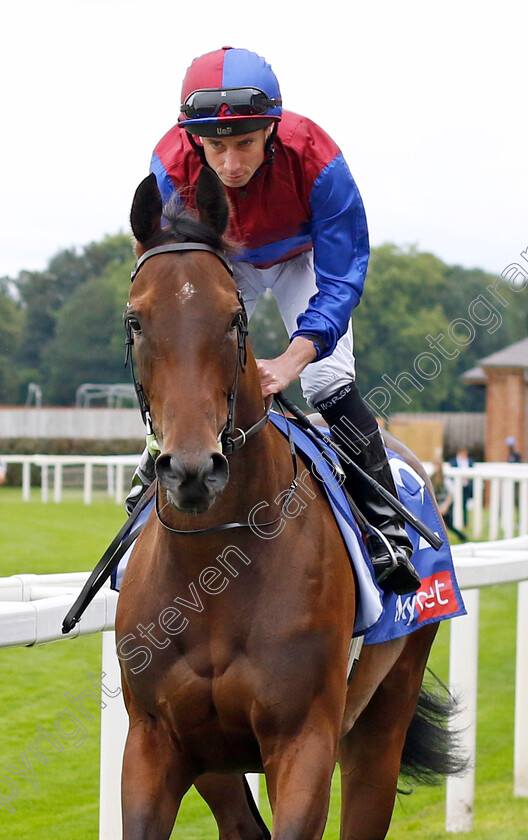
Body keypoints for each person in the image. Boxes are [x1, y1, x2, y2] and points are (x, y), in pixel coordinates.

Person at [126, 46, 420, 596]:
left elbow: (342, 277)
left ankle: (385, 525)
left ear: (272, 130)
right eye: (216, 147)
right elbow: (166, 278)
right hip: (226, 259)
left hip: (304, 258)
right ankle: (154, 458)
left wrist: (293, 357)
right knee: (189, 352)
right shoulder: (167, 167)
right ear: (195, 140)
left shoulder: (319, 159)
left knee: (326, 380)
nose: (231, 165)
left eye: (245, 144)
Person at [430, 460, 467, 543]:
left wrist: (445, 506)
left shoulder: (444, 479)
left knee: (448, 525)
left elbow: (450, 494)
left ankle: (462, 537)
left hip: (445, 506)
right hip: (438, 506)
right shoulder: (432, 478)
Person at [449, 446, 473, 527]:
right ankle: (453, 522)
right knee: (454, 505)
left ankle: (465, 523)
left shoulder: (469, 461)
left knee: (464, 505)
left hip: (465, 486)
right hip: (455, 487)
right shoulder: (453, 462)